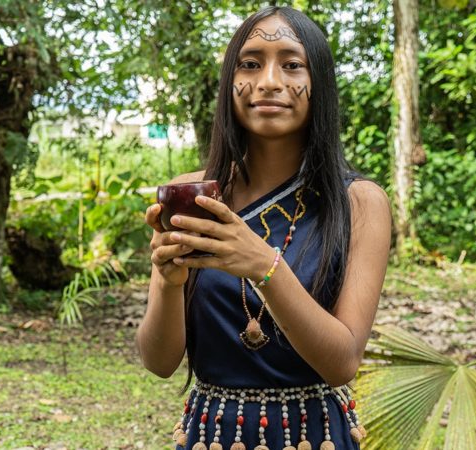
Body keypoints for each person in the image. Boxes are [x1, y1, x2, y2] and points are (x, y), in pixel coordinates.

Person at [136, 6, 391, 450]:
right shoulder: (192, 197)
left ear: (320, 84)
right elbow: (159, 362)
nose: (269, 81)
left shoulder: (360, 202)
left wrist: (263, 265)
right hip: (210, 436)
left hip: (315, 437)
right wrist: (168, 282)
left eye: (292, 65)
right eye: (250, 64)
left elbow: (342, 362)